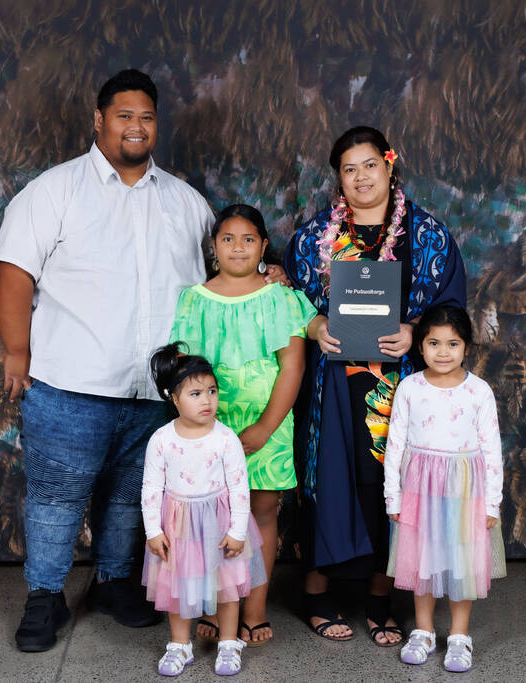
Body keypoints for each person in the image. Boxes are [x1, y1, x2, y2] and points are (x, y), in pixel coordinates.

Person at [0, 69, 215, 652]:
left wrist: (268, 270)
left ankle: (115, 582)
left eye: (146, 117)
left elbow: (223, 272)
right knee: (56, 497)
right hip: (70, 384)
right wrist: (16, 352)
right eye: (124, 116)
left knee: (129, 498)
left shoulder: (186, 202)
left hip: (155, 391)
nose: (136, 127)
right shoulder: (55, 190)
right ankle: (45, 596)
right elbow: (14, 271)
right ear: (99, 120)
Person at [283, 126, 466, 645]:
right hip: (333, 385)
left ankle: (380, 598)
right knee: (329, 480)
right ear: (338, 179)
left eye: (369, 165)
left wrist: (415, 331)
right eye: (349, 169)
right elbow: (285, 299)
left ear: (389, 166)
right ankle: (316, 592)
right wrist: (315, 326)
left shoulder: (426, 236)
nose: (361, 177)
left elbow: (450, 306)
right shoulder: (313, 238)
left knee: (389, 487)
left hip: (400, 384)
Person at [169, 204, 317, 646]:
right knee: (212, 515)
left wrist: (266, 427)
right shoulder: (193, 299)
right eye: (228, 239)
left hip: (266, 426)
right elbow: (185, 372)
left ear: (264, 246)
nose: (238, 248)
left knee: (261, 511)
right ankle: (217, 606)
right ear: (213, 246)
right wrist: (202, 431)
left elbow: (292, 367)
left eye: (248, 239)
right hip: (209, 431)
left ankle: (254, 609)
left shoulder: (281, 297)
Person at [384, 305, 506, 672]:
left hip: (464, 491)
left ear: (466, 347)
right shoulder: (409, 387)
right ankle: (422, 631)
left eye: (452, 344)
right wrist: (393, 495)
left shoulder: (479, 391)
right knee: (423, 560)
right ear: (420, 346)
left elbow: (492, 450)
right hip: (420, 489)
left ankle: (459, 635)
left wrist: (492, 504)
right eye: (433, 343)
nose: (442, 352)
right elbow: (395, 445)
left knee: (460, 562)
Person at [141, 344, 267, 677]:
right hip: (178, 526)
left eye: (212, 391)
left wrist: (237, 532)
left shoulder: (225, 438)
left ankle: (228, 642)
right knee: (179, 587)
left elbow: (239, 487)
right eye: (195, 394)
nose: (207, 400)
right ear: (174, 398)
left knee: (226, 586)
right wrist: (153, 530)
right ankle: (179, 645)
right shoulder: (161, 439)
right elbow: (151, 488)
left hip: (219, 523)